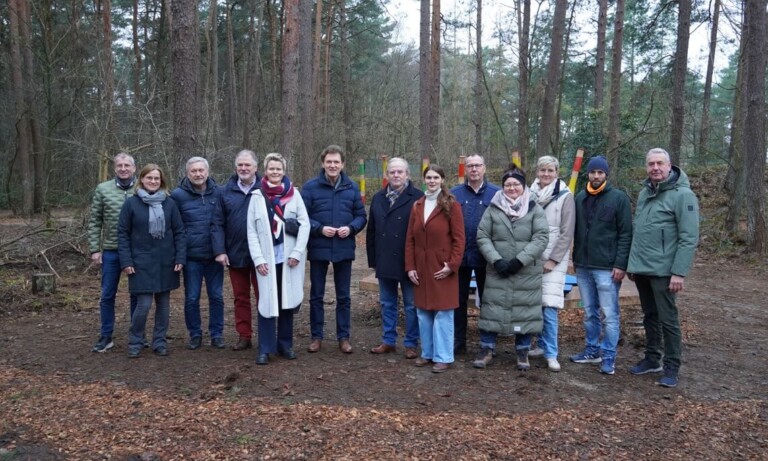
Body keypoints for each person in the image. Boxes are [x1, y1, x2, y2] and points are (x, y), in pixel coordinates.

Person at [627, 148, 699, 388]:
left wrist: (679, 272)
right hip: (643, 269)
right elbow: (640, 231)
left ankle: (672, 365)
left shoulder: (683, 195)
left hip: (665, 271)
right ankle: (652, 359)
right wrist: (632, 264)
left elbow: (688, 237)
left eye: (659, 163)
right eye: (651, 164)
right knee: (650, 316)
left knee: (668, 320)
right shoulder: (645, 193)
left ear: (669, 166)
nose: (655, 168)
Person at [473, 166, 549, 371]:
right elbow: (482, 236)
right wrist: (496, 260)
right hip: (497, 269)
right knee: (492, 309)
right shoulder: (493, 208)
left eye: (516, 184)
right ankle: (486, 348)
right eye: (508, 184)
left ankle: (523, 351)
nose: (512, 188)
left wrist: (519, 261)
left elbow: (541, 238)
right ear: (503, 186)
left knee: (524, 310)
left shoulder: (535, 208)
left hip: (525, 271)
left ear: (523, 186)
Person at [568, 155, 632, 375]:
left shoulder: (618, 199)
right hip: (584, 265)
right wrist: (575, 258)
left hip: (606, 267)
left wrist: (620, 264)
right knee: (589, 312)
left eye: (600, 173)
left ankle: (608, 357)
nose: (596, 176)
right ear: (588, 173)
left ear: (606, 175)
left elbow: (625, 234)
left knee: (610, 314)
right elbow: (575, 230)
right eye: (593, 172)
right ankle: (591, 350)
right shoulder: (580, 198)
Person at [302, 145, 367, 354]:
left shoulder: (352, 187)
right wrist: (319, 229)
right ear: (323, 163)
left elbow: (361, 216)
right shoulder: (310, 187)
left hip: (343, 247)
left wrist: (351, 228)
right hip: (319, 246)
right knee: (316, 295)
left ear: (342, 164)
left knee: (344, 296)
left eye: (336, 162)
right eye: (329, 162)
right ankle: (316, 336)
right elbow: (302, 217)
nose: (332, 165)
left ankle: (343, 337)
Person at [246, 153, 310, 365]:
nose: (275, 172)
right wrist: (258, 259)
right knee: (266, 301)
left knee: (286, 301)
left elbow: (305, 225)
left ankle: (285, 345)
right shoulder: (257, 196)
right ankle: (265, 348)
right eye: (271, 169)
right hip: (266, 259)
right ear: (265, 171)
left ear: (284, 170)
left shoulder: (294, 195)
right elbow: (252, 231)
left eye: (278, 169)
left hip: (288, 258)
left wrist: (297, 253)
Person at [118, 164, 186, 358]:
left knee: (163, 304)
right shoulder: (131, 203)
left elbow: (180, 232)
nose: (153, 181)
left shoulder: (169, 203)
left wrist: (180, 256)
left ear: (161, 181)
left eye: (157, 178)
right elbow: (122, 234)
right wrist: (126, 261)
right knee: (144, 304)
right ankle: (136, 340)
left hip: (166, 260)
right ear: (142, 179)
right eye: (149, 178)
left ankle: (159, 341)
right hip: (140, 262)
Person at [405, 165, 465, 373]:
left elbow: (459, 239)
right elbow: (410, 239)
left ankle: (443, 356)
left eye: (436, 177)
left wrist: (452, 265)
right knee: (423, 311)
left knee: (443, 313)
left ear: (442, 180)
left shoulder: (451, 205)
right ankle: (427, 353)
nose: (431, 181)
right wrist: (410, 266)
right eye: (428, 177)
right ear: (424, 180)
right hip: (421, 265)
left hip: (442, 266)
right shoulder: (418, 205)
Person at [367, 158, 423, 359]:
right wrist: (373, 260)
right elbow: (371, 230)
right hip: (384, 259)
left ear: (407, 174)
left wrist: (417, 262)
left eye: (400, 172)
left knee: (411, 304)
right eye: (392, 172)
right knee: (387, 303)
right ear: (387, 175)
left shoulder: (418, 197)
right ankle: (388, 340)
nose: (396, 175)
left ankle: (411, 343)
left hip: (408, 261)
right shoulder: (378, 198)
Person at [170, 157, 225, 350]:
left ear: (207, 172)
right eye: (194, 171)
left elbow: (224, 223)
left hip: (214, 256)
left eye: (201, 170)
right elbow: (174, 227)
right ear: (187, 173)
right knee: (192, 298)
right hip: (192, 257)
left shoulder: (219, 192)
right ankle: (195, 334)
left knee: (216, 296)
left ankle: (217, 334)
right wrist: (179, 256)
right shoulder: (177, 195)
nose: (198, 174)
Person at [528, 156, 575, 372]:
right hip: (531, 257)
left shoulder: (565, 197)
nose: (546, 174)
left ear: (556, 172)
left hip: (553, 259)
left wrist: (554, 260)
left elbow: (567, 232)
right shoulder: (529, 193)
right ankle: (535, 345)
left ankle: (551, 353)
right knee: (532, 305)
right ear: (537, 172)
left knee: (549, 306)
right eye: (542, 170)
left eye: (550, 170)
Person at [88, 152, 139, 352]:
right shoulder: (103, 189)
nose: (123, 168)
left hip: (137, 252)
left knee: (137, 294)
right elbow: (95, 221)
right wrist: (94, 249)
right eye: (120, 165)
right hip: (111, 251)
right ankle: (106, 335)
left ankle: (137, 334)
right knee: (108, 294)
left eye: (127, 165)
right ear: (115, 168)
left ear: (134, 168)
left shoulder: (143, 187)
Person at [450, 154, 500, 355]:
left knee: (489, 301)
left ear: (484, 168)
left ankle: (488, 343)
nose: (474, 169)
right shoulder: (454, 194)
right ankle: (458, 341)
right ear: (465, 169)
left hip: (487, 258)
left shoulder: (497, 193)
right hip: (461, 257)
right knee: (458, 301)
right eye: (470, 166)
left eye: (478, 165)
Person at [212, 150, 261, 351]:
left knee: (263, 297)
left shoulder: (265, 189)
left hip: (261, 256)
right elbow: (217, 224)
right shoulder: (224, 192)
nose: (243, 168)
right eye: (240, 165)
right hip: (235, 253)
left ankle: (267, 335)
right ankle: (244, 335)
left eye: (247, 165)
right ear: (235, 168)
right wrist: (220, 250)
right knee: (241, 297)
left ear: (256, 168)